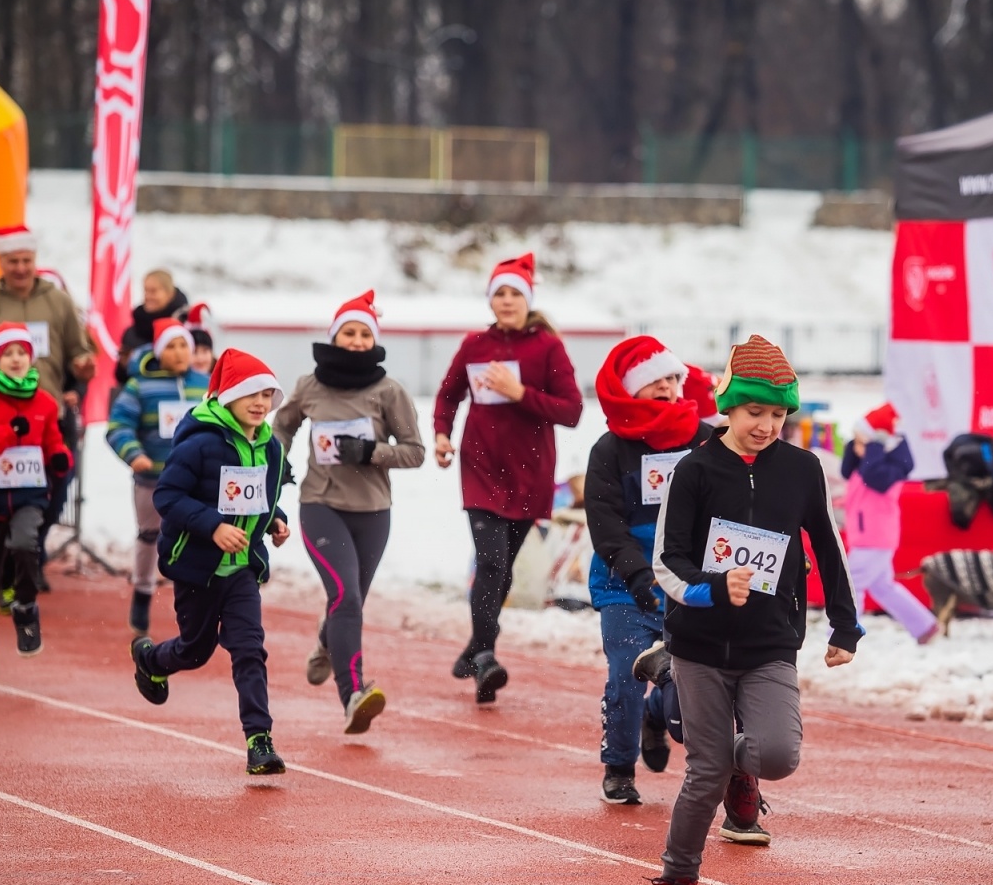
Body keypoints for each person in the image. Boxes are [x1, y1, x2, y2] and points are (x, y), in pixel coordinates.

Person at [648, 335, 862, 885]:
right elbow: (667, 560)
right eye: (754, 412)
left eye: (777, 414)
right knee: (706, 769)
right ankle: (677, 880)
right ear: (728, 408)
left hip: (770, 642)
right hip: (699, 644)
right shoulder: (694, 469)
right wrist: (712, 587)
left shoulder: (800, 469)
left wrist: (845, 622)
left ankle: (738, 765)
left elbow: (828, 543)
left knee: (777, 755)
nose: (767, 425)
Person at [131, 349, 292, 776]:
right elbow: (168, 497)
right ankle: (152, 660)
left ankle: (259, 740)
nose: (260, 403)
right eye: (250, 394)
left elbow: (267, 495)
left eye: (267, 395)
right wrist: (214, 527)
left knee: (249, 650)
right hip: (198, 566)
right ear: (228, 396)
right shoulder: (201, 442)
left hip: (241, 570)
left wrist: (276, 519)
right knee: (195, 650)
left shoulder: (270, 447)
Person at [432, 253, 583, 703]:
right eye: (499, 293)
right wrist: (441, 434)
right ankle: (486, 660)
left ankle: (476, 645)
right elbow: (448, 394)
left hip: (530, 472)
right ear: (490, 301)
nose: (506, 300)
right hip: (480, 466)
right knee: (491, 562)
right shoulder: (475, 344)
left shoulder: (548, 348)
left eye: (515, 293)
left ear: (528, 299)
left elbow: (572, 411)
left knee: (504, 570)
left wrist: (521, 394)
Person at [272, 291, 425, 735]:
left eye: (364, 333)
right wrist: (279, 460)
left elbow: (414, 453)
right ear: (334, 337)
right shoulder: (309, 385)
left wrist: (371, 451)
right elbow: (282, 425)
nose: (356, 340)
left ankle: (326, 640)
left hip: (373, 511)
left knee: (347, 601)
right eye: (348, 332)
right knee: (347, 599)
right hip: (320, 505)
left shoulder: (389, 391)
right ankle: (353, 694)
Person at [583, 336, 710, 805]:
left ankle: (657, 715)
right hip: (624, 583)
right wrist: (640, 576)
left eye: (672, 379)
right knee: (625, 673)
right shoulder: (609, 451)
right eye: (654, 381)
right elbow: (606, 524)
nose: (667, 388)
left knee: (689, 680)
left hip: (691, 583)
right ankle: (618, 767)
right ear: (632, 390)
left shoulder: (704, 439)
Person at [0, 225, 96, 594]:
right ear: (1, 261)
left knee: (57, 486)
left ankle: (29, 553)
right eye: (13, 261)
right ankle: (2, 556)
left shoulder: (58, 301)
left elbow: (79, 349)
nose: (20, 268)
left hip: (47, 414)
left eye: (26, 261)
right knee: (0, 495)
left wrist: (82, 366)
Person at [0, 324, 72, 674]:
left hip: (29, 493)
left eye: (22, 352)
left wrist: (60, 456)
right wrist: (7, 434)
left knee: (26, 543)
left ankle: (25, 606)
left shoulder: (44, 402)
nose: (17, 359)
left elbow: (52, 442)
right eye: (8, 353)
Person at [106, 318, 211, 636]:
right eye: (172, 346)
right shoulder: (140, 386)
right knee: (150, 536)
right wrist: (134, 454)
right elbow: (118, 426)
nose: (179, 353)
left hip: (196, 481)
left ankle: (195, 601)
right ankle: (142, 592)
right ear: (159, 350)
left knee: (196, 536)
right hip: (153, 478)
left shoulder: (203, 384)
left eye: (184, 346)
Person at [842, 402, 939, 645]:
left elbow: (876, 479)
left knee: (850, 583)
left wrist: (873, 446)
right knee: (882, 586)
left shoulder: (887, 469)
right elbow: (846, 471)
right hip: (867, 536)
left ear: (879, 445)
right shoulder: (867, 463)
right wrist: (858, 447)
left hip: (874, 537)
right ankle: (924, 625)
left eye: (862, 442)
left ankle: (842, 633)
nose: (857, 447)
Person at [113, 269, 190, 386]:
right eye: (145, 291)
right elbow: (121, 378)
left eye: (153, 291)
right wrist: (125, 364)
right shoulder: (133, 331)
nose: (148, 296)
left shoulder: (187, 325)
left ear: (170, 294)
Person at [185, 303, 217, 375]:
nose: (200, 359)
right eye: (194, 352)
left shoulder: (224, 380)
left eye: (205, 351)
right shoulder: (177, 383)